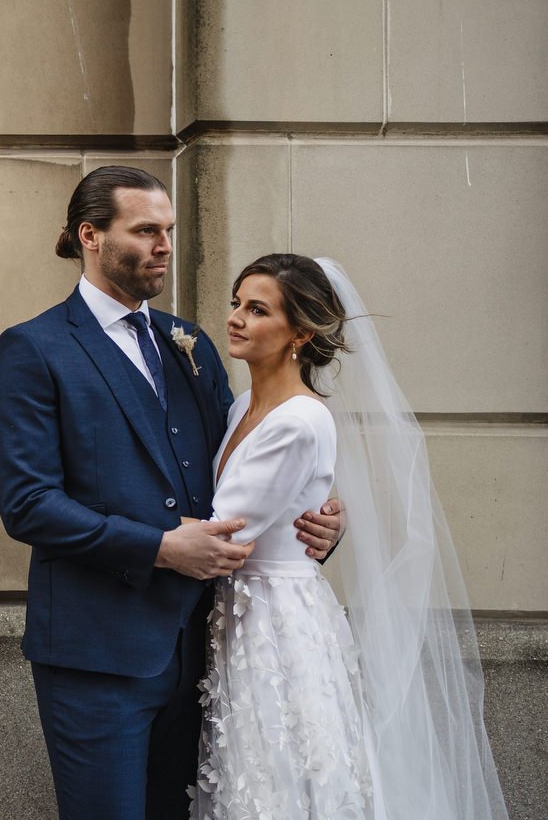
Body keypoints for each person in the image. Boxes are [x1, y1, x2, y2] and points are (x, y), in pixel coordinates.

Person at [0, 166, 345, 820]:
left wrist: (318, 519)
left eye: (170, 231)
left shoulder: (192, 347)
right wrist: (160, 547)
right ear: (90, 236)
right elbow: (28, 503)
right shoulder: (33, 349)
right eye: (146, 230)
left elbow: (235, 471)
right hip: (99, 659)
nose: (165, 246)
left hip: (205, 654)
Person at [193, 254, 508, 820]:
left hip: (274, 625)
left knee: (277, 777)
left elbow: (226, 529)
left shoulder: (299, 420)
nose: (236, 318)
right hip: (241, 614)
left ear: (301, 334)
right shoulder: (244, 405)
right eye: (236, 302)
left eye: (257, 309)